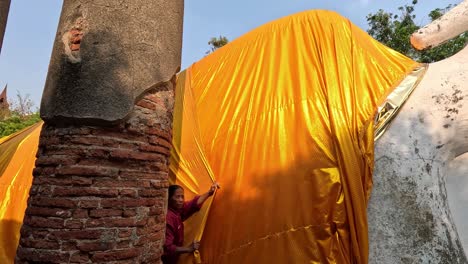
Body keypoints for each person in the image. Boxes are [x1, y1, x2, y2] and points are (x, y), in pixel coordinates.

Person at [162, 182, 220, 264]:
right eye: (177, 197)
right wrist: (189, 249)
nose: (181, 200)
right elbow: (168, 248)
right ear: (169, 198)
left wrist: (209, 193)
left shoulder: (178, 211)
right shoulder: (169, 218)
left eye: (182, 197)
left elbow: (193, 204)